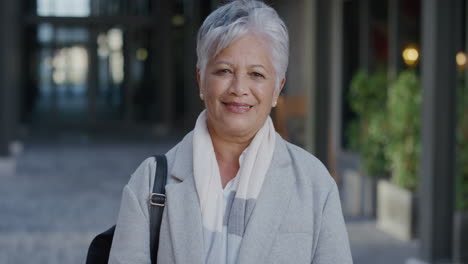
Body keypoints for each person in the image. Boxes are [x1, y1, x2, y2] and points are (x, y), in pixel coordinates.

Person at [108, 0, 353, 263]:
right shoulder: (149, 182)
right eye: (224, 71)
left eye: (256, 75)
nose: (239, 88)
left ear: (277, 89)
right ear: (201, 80)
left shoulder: (315, 184)